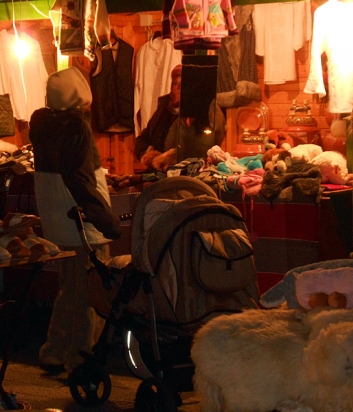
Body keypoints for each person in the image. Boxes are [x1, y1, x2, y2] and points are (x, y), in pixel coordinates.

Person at [29, 66, 121, 374]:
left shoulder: (43, 124)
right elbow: (80, 180)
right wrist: (106, 220)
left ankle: (55, 350)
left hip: (57, 220)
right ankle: (82, 359)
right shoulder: (76, 127)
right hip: (82, 223)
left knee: (69, 289)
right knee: (90, 292)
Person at [134, 64, 225, 172]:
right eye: (174, 83)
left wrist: (175, 156)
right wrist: (146, 153)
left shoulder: (204, 110)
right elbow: (142, 138)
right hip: (157, 175)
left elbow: (209, 146)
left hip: (190, 174)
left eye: (182, 84)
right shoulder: (164, 108)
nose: (176, 87)